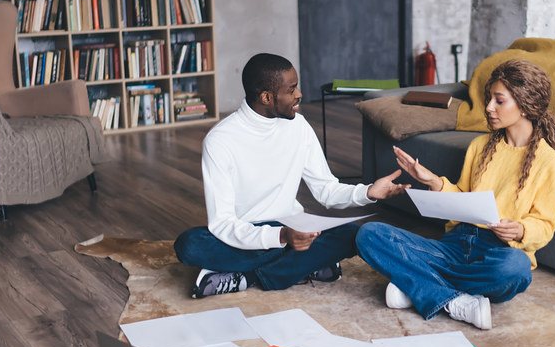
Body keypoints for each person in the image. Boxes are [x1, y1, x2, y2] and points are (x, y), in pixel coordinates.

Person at [356, 60, 555, 329]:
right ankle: (453, 299)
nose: (489, 107)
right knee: (370, 234)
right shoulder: (480, 146)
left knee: (515, 270)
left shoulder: (550, 164)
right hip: (455, 244)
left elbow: (545, 225)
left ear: (525, 104)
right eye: (489, 98)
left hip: (498, 251)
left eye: (499, 101)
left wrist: (520, 230)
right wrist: (432, 180)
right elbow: (462, 197)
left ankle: (419, 285)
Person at [174, 53, 408, 298]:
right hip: (247, 234)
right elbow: (223, 223)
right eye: (292, 89)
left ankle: (247, 277)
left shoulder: (298, 126)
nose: (300, 95)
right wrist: (281, 236)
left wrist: (368, 192)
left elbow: (326, 191)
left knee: (354, 234)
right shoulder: (220, 140)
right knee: (189, 245)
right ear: (266, 97)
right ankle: (299, 268)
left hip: (293, 226)